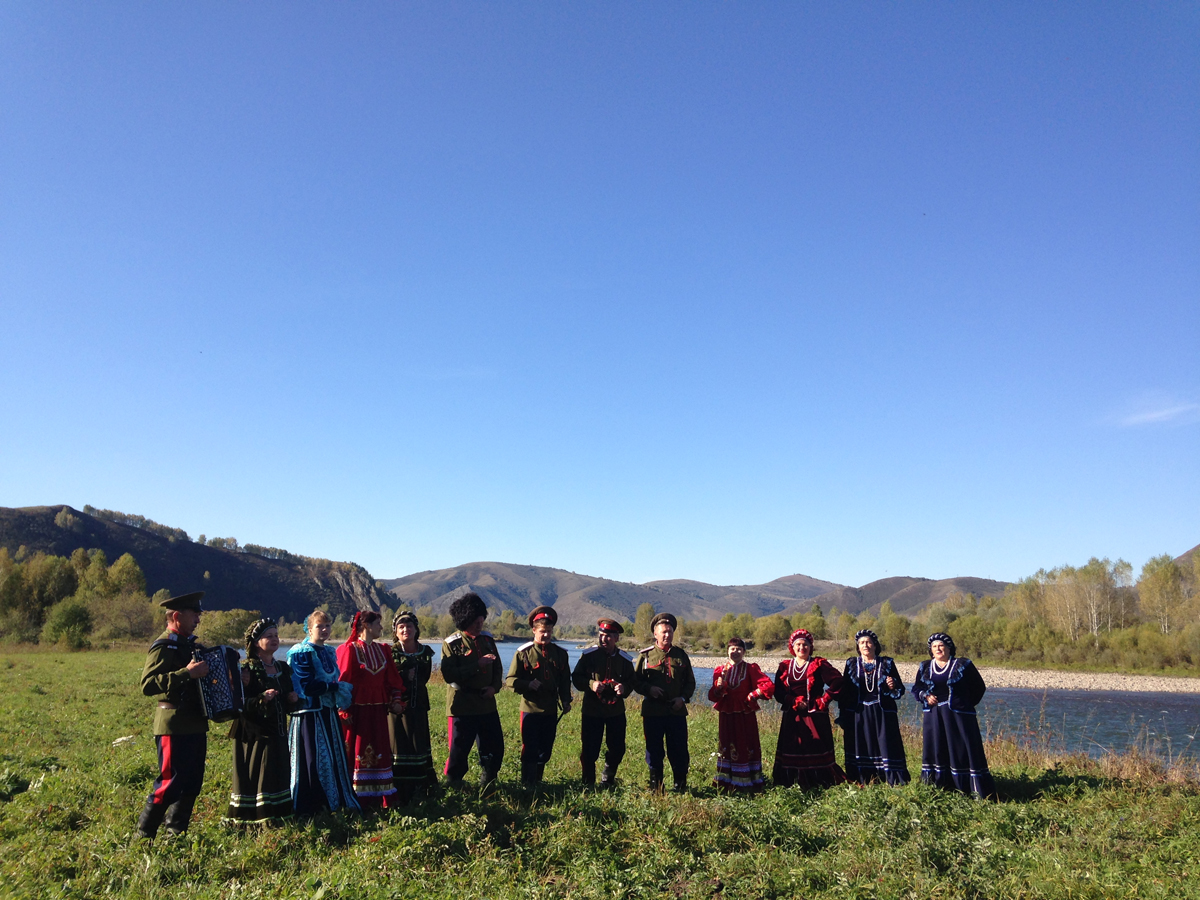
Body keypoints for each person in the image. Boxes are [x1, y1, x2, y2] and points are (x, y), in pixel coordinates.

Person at [137, 591, 217, 838]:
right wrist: (186, 673)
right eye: (194, 614)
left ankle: (176, 835)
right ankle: (144, 837)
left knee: (192, 784)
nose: (198, 620)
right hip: (173, 724)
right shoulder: (165, 645)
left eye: (198, 614)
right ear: (175, 615)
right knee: (168, 785)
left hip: (196, 723)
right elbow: (148, 684)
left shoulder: (192, 645)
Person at [226, 618, 299, 822]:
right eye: (269, 636)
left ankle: (279, 814)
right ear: (256, 642)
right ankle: (256, 816)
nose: (275, 639)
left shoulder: (282, 668)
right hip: (254, 733)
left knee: (277, 771)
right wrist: (261, 698)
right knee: (258, 773)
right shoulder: (246, 669)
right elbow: (239, 703)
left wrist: (291, 699)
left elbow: (286, 700)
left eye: (276, 635)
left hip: (277, 731)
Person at [287, 609, 359, 814]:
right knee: (315, 758)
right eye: (320, 626)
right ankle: (313, 804)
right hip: (309, 714)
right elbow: (306, 686)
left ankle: (335, 802)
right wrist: (332, 688)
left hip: (327, 713)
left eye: (327, 626)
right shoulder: (302, 652)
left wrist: (333, 688)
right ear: (309, 629)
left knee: (333, 756)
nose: (325, 630)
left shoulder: (328, 651)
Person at [911, 632, 996, 798]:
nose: (938, 649)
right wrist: (925, 696)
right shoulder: (925, 667)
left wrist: (964, 705)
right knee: (937, 749)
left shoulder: (962, 664)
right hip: (934, 716)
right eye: (934, 646)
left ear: (949, 648)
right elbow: (916, 688)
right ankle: (939, 786)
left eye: (941, 645)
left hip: (959, 718)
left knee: (962, 749)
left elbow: (978, 687)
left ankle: (969, 788)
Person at [336, 611, 406, 807]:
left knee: (380, 750)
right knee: (356, 752)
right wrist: (343, 710)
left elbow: (392, 680)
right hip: (356, 713)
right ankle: (355, 798)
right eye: (377, 624)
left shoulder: (384, 650)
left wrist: (396, 700)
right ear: (365, 626)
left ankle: (381, 797)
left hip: (377, 712)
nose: (380, 628)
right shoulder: (348, 649)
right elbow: (342, 682)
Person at [441, 592, 504, 791]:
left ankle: (488, 783)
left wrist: (494, 688)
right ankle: (454, 786)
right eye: (476, 621)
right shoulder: (451, 644)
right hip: (462, 706)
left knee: (495, 748)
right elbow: (449, 674)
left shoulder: (487, 640)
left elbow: (498, 669)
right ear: (465, 619)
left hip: (486, 704)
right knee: (459, 750)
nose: (480, 624)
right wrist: (477, 665)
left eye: (481, 619)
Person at [506, 606, 572, 786]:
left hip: (550, 709)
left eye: (549, 631)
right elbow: (510, 680)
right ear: (534, 630)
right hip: (530, 709)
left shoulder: (560, 654)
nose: (546, 635)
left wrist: (566, 700)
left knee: (545, 749)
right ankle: (527, 783)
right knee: (530, 748)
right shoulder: (523, 653)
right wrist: (527, 684)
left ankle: (538, 781)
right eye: (543, 631)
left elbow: (565, 680)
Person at [772, 628, 846, 788]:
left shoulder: (818, 664)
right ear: (792, 647)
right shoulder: (785, 667)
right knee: (793, 745)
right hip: (792, 715)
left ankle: (819, 781)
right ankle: (790, 781)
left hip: (815, 715)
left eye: (805, 644)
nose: (801, 648)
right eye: (798, 644)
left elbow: (838, 681)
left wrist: (824, 700)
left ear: (810, 646)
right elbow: (778, 691)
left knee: (815, 746)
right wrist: (792, 700)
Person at [634, 612, 696, 792]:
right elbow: (636, 681)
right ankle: (656, 786)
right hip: (653, 712)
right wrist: (649, 690)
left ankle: (680, 785)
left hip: (676, 711)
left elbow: (690, 682)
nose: (667, 635)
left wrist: (682, 699)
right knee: (654, 750)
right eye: (663, 632)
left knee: (679, 749)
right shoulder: (646, 656)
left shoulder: (681, 655)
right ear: (655, 634)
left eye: (670, 632)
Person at [571, 618, 636, 787]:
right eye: (601, 635)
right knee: (589, 749)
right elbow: (576, 678)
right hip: (592, 711)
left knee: (618, 748)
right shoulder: (588, 656)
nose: (604, 639)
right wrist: (591, 684)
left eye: (608, 636)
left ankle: (608, 777)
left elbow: (632, 681)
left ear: (617, 638)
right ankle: (588, 781)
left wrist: (624, 688)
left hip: (615, 712)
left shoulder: (625, 660)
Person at [839, 629, 909, 786]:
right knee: (861, 744)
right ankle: (862, 779)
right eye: (862, 643)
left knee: (885, 743)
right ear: (858, 646)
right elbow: (845, 691)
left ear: (875, 645)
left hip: (882, 712)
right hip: (858, 713)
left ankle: (892, 779)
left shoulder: (887, 663)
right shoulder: (851, 664)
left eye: (869, 642)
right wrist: (843, 714)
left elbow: (899, 688)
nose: (866, 645)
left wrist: (893, 685)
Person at [708, 636, 774, 792]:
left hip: (745, 713)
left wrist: (753, 695)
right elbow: (713, 695)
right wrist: (718, 689)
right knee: (726, 742)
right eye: (732, 649)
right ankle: (726, 780)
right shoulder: (720, 670)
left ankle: (746, 780)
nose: (735, 651)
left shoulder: (751, 669)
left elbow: (768, 685)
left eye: (738, 649)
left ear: (744, 652)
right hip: (726, 713)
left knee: (745, 742)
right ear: (727, 651)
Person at [389, 610, 439, 803]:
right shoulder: (391, 653)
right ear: (396, 631)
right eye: (401, 627)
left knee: (419, 742)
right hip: (397, 707)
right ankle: (400, 790)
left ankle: (422, 788)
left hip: (419, 705)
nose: (405, 630)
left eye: (409, 626)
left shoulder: (424, 652)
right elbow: (388, 679)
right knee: (399, 743)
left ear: (416, 629)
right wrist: (403, 678)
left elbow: (425, 677)